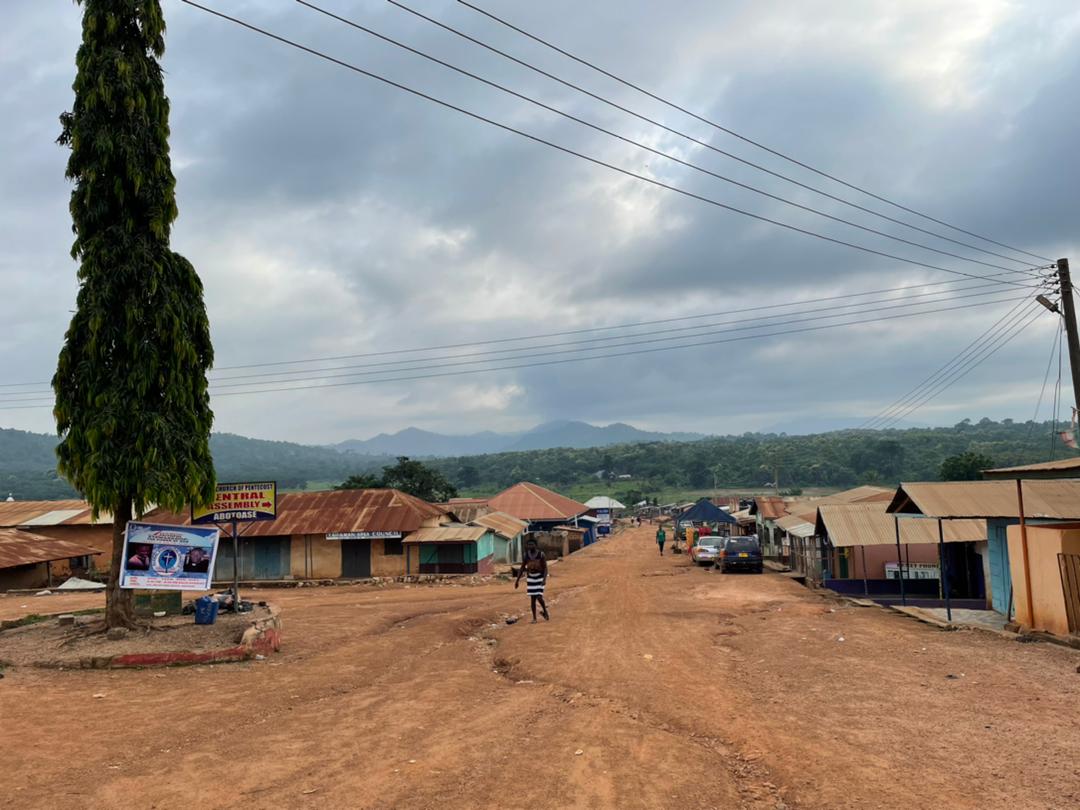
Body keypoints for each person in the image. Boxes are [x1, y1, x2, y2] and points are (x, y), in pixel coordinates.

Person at [515, 538, 549, 623]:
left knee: (539, 596)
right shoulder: (526, 555)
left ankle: (545, 611)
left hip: (540, 577)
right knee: (532, 598)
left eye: (532, 544)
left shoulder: (541, 555)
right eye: (529, 544)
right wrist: (517, 580)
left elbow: (545, 568)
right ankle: (534, 618)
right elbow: (522, 567)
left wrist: (544, 579)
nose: (530, 546)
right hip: (530, 578)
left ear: (536, 545)